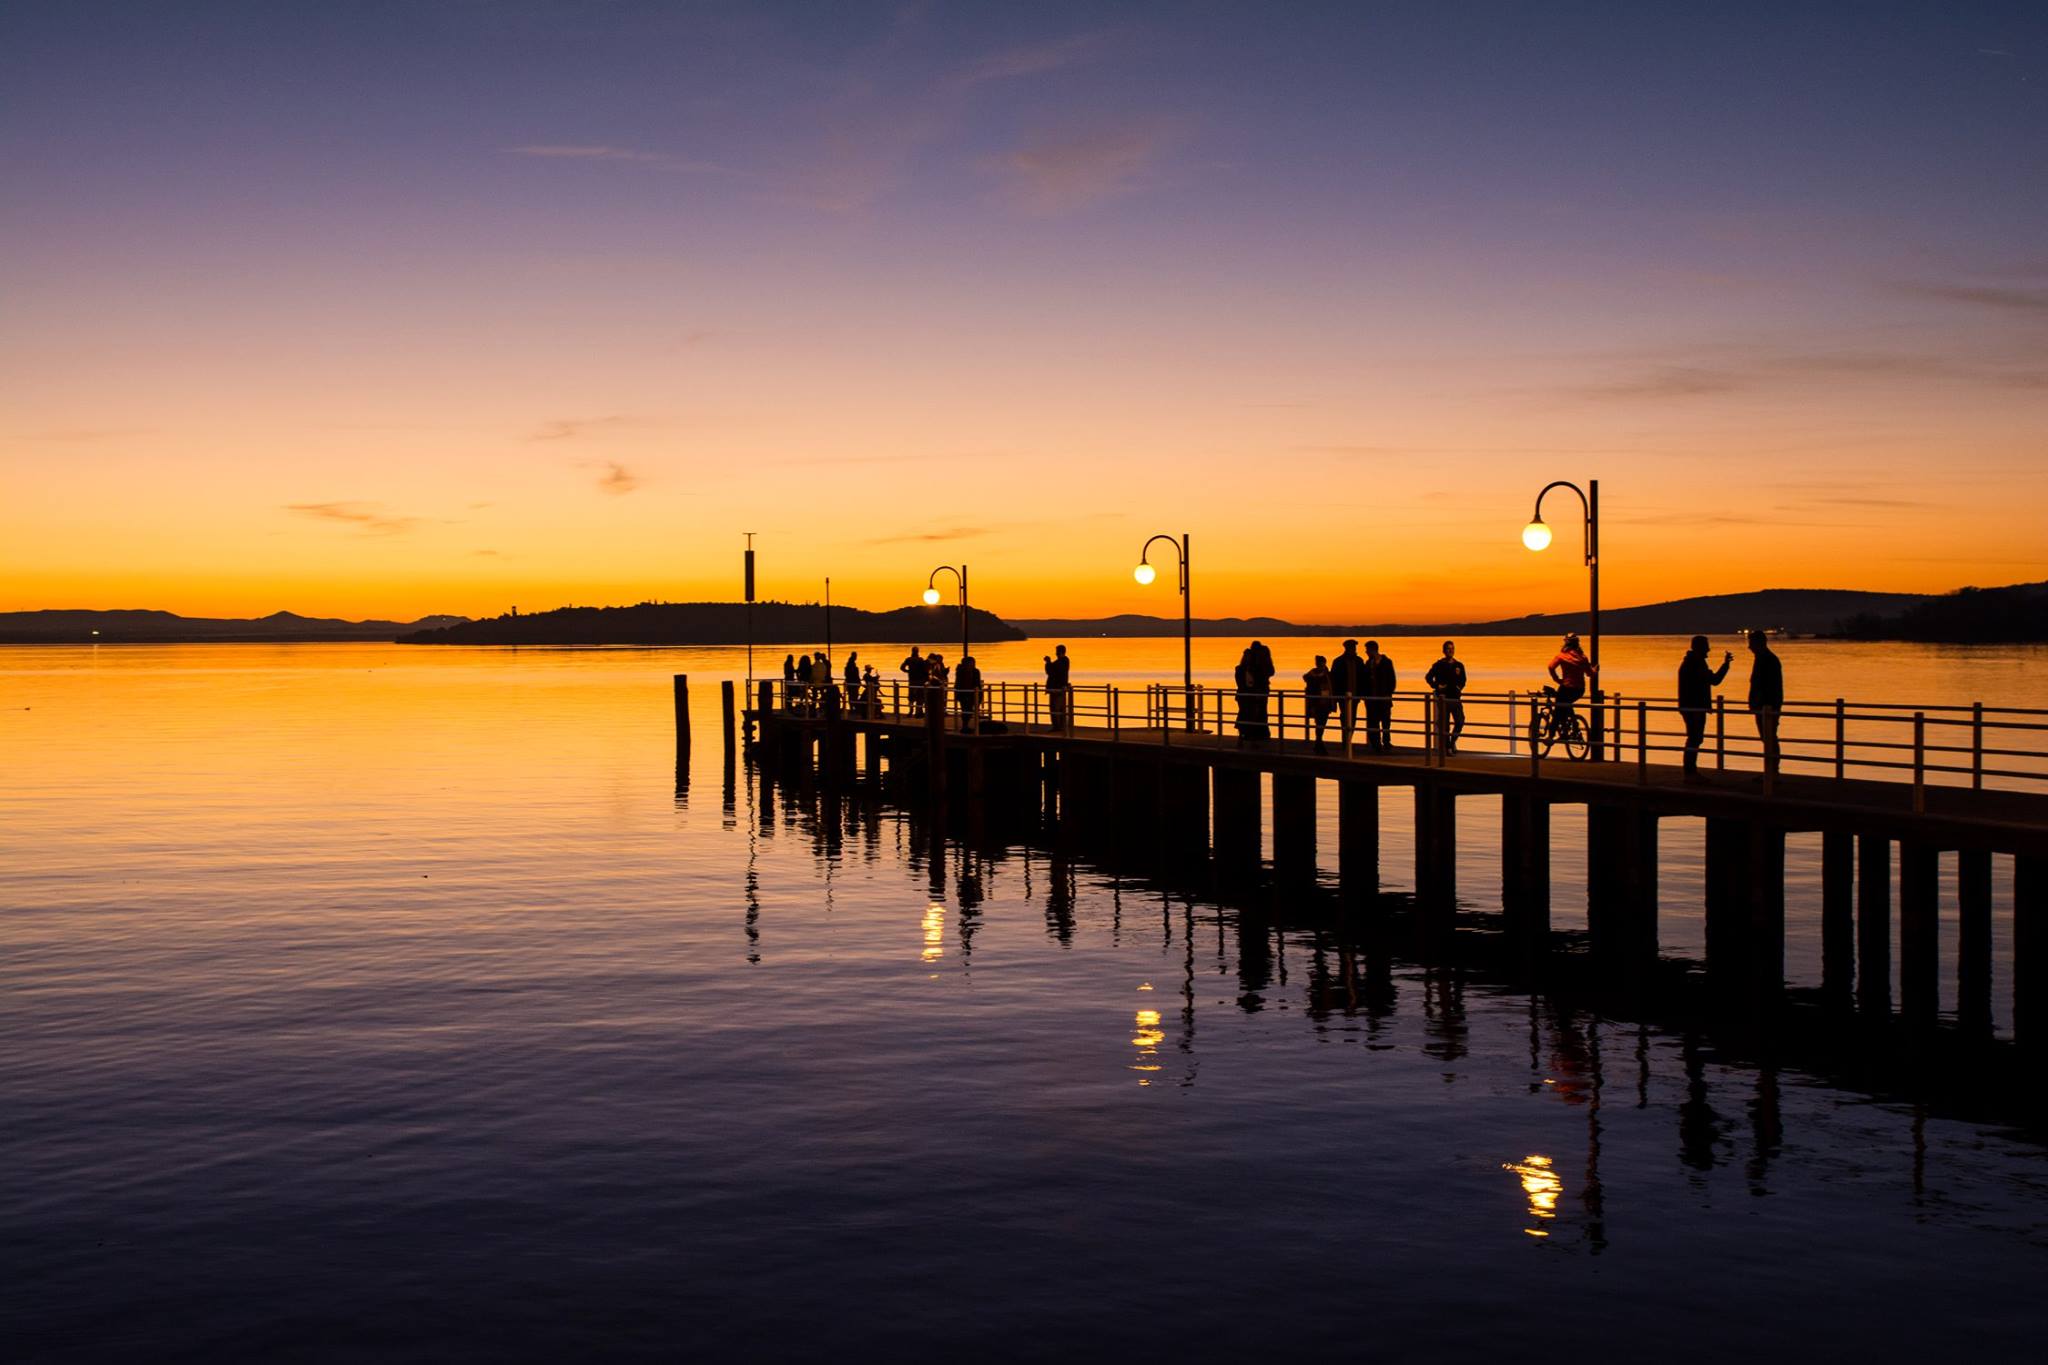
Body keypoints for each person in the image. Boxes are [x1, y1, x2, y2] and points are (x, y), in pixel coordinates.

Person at [1677, 635, 1733, 778]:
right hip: (1694, 708)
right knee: (1695, 738)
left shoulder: (1691, 662)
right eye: (1706, 646)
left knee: (1694, 738)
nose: (1708, 649)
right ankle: (1690, 772)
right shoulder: (1696, 663)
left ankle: (1690, 771)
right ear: (1700, 647)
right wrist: (1726, 665)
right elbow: (1714, 680)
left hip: (1691, 707)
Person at [1747, 630, 1784, 776]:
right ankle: (1771, 770)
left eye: (1751, 643)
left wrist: (1763, 705)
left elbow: (1767, 686)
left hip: (1767, 706)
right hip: (1764, 706)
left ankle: (1772, 771)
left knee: (1769, 737)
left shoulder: (1767, 659)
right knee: (1768, 737)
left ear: (1759, 643)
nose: (1749, 647)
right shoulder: (1763, 658)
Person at [1546, 633, 1595, 738]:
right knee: (1566, 705)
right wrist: (1595, 670)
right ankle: (1572, 726)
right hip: (1579, 689)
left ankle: (1550, 736)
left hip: (1566, 687)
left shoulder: (1562, 656)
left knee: (1558, 710)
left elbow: (1550, 667)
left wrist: (1557, 679)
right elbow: (1590, 674)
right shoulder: (1583, 657)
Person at [1424, 640, 1467, 755]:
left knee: (1460, 721)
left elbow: (1463, 680)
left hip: (1456, 698)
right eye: (1448, 648)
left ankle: (1452, 742)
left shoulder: (1459, 665)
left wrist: (1459, 687)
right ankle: (1447, 748)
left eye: (1452, 648)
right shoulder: (1438, 665)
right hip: (1443, 698)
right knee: (1445, 724)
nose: (1450, 650)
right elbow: (1428, 677)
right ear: (1444, 651)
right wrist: (1437, 686)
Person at [1329, 639, 1367, 747]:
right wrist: (1335, 696)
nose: (1353, 650)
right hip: (1342, 695)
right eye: (1351, 648)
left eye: (1354, 648)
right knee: (1345, 717)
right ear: (1346, 648)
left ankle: (1348, 739)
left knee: (1353, 718)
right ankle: (1345, 741)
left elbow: (1363, 678)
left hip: (1355, 695)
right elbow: (1334, 679)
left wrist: (1362, 693)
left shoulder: (1359, 661)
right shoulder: (1338, 661)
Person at [1234, 641, 1274, 742]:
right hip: (1253, 694)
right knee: (1255, 713)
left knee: (1250, 713)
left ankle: (1249, 733)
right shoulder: (1256, 666)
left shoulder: (1253, 667)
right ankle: (1254, 733)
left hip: (1250, 694)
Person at [1362, 640, 1397, 752]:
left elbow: (1392, 680)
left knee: (1386, 721)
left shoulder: (1387, 662)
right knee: (1374, 722)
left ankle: (1386, 742)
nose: (1366, 652)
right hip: (1372, 699)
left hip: (1384, 698)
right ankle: (1376, 744)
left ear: (1373, 650)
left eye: (1367, 650)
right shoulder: (1368, 663)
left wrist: (1388, 693)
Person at [1303, 655, 1335, 753]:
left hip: (1325, 702)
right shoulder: (1318, 675)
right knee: (1320, 723)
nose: (1321, 665)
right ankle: (1319, 743)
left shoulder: (1326, 674)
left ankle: (1319, 742)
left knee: (1321, 723)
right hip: (1318, 703)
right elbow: (1311, 690)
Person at [1043, 644, 1071, 731]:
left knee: (1055, 708)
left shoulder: (1062, 661)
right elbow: (1052, 670)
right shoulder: (1062, 661)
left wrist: (1048, 662)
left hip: (1057, 689)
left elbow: (1051, 671)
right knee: (1060, 708)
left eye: (1057, 651)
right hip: (1059, 688)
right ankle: (1061, 726)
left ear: (1061, 652)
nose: (1056, 653)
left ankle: (1057, 726)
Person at [954, 654, 982, 734]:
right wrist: (959, 693)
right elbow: (959, 683)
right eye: (970, 663)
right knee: (966, 710)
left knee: (971, 710)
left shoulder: (975, 671)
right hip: (964, 694)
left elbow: (977, 683)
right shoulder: (961, 671)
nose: (972, 664)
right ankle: (965, 726)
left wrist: (979, 693)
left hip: (973, 693)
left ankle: (970, 726)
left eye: (973, 663)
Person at [900, 646, 928, 715]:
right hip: (920, 681)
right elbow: (925, 670)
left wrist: (908, 671)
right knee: (920, 697)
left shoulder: (908, 659)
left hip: (912, 680)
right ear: (918, 652)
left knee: (911, 697)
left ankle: (911, 711)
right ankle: (918, 711)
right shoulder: (921, 660)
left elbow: (902, 667)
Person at [926, 653, 949, 720]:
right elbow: (936, 674)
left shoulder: (939, 664)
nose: (940, 660)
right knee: (941, 698)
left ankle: (943, 710)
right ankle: (941, 711)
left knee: (944, 698)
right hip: (939, 684)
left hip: (942, 683)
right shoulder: (934, 665)